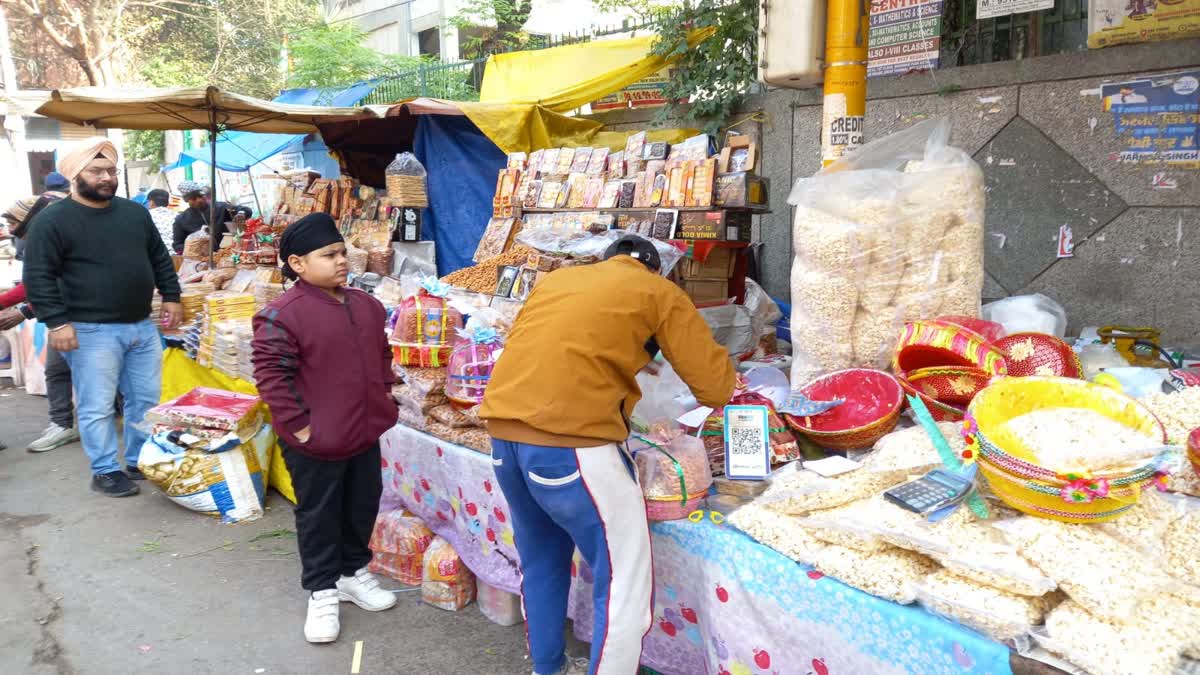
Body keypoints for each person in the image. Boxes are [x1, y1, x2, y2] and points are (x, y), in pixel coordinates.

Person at [479, 235, 736, 675]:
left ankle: (547, 667)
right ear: (655, 270)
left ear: (605, 261)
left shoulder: (558, 282)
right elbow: (716, 387)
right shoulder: (659, 291)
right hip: (574, 446)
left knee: (541, 559)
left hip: (505, 438)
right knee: (623, 584)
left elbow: (564, 348)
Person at [251, 213, 399, 644]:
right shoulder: (281, 315)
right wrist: (299, 428)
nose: (341, 261)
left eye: (342, 253)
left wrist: (386, 394)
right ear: (297, 263)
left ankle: (353, 573)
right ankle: (321, 590)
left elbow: (383, 356)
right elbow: (272, 378)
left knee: (362, 503)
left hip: (364, 430)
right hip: (315, 439)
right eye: (328, 255)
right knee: (318, 515)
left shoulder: (367, 306)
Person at [22, 137, 183, 497]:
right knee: (97, 404)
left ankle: (140, 459)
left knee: (145, 399)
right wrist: (57, 322)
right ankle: (105, 469)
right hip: (89, 330)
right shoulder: (52, 221)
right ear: (76, 174)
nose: (106, 177)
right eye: (96, 171)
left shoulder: (134, 212)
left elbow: (159, 257)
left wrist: (171, 296)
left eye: (111, 170)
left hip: (142, 324)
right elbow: (39, 276)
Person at [1, 193, 79, 454]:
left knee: (77, 373)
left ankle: (71, 426)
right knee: (59, 371)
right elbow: (34, 282)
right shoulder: (41, 239)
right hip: (64, 317)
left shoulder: (58, 238)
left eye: (13, 222)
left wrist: (25, 311)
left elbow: (64, 284)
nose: (10, 229)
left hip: (79, 317)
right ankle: (63, 423)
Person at [171, 181, 252, 254]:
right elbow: (177, 245)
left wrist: (241, 213)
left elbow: (245, 210)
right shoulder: (181, 220)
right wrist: (194, 248)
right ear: (187, 200)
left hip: (226, 254)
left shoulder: (221, 208)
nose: (199, 200)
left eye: (200, 196)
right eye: (194, 198)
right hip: (199, 260)